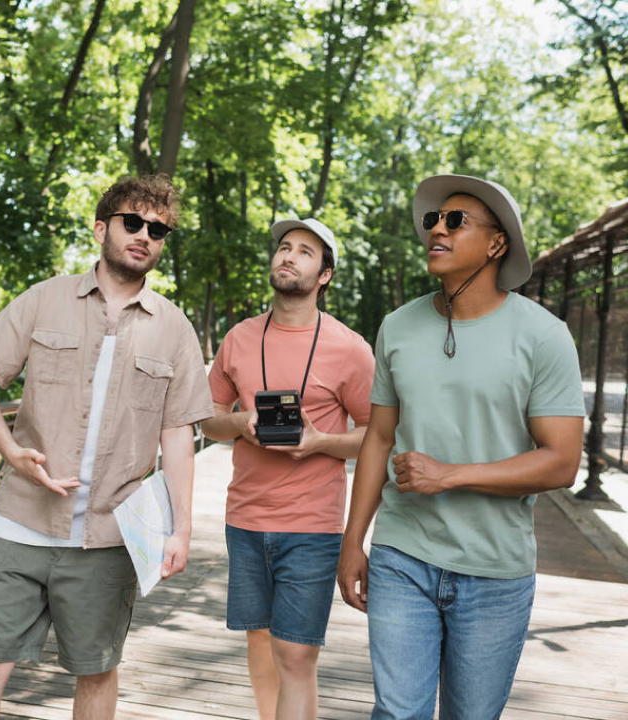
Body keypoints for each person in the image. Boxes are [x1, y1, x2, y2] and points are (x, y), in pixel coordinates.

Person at [0, 175, 213, 720]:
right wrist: (8, 449)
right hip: (21, 522)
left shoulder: (174, 329)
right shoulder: (44, 299)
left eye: (158, 229)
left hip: (110, 537)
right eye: (133, 222)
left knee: (95, 673)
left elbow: (178, 433)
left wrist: (181, 528)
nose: (145, 235)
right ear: (102, 229)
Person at [337, 174, 585, 719]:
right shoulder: (398, 326)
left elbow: (562, 462)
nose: (436, 230)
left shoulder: (544, 336)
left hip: (494, 568)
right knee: (397, 714)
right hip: (403, 554)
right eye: (433, 220)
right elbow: (379, 436)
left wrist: (450, 475)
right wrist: (353, 540)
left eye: (456, 220)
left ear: (497, 244)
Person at [201, 217, 375, 719]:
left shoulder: (350, 348)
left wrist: (321, 441)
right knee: (259, 640)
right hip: (245, 519)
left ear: (324, 275)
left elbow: (377, 436)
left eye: (305, 252)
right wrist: (240, 422)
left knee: (296, 652)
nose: (289, 256)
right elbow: (207, 420)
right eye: (284, 247)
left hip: (312, 524)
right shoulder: (239, 338)